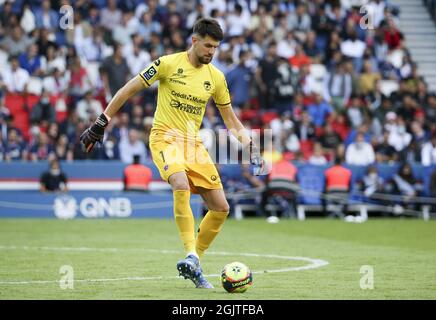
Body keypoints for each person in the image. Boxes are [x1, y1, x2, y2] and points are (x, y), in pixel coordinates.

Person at [79, 18, 264, 289]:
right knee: (180, 183)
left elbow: (231, 121)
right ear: (194, 40)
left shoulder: (216, 78)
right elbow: (128, 89)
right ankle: (190, 251)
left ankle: (194, 261)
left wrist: (251, 146)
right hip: (165, 137)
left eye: (216, 47)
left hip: (194, 144)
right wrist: (101, 121)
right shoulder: (167, 64)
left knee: (221, 208)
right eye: (208, 46)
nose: (212, 52)